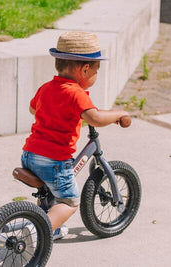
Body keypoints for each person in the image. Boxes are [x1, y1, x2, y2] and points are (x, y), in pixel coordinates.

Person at [21, 31, 130, 240]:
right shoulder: (75, 94)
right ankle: (37, 233)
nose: (97, 74)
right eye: (97, 69)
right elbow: (96, 118)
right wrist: (120, 114)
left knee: (50, 191)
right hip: (53, 160)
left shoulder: (47, 88)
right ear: (85, 69)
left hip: (30, 154)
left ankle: (50, 225)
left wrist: (58, 115)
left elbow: (33, 109)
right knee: (69, 201)